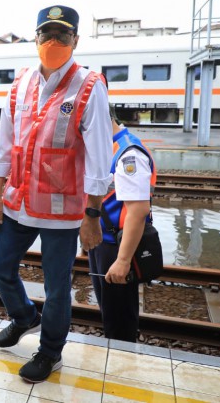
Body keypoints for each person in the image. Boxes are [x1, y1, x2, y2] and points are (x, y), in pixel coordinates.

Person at [0, 5, 112, 383]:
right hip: (18, 203)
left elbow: (99, 157)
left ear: (76, 40)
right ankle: (25, 316)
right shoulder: (21, 82)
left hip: (64, 211)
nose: (53, 42)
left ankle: (51, 351)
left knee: (58, 288)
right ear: (35, 37)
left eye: (62, 35)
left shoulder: (89, 86)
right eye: (47, 34)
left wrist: (92, 217)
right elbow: (6, 144)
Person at [88, 103, 156, 343]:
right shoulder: (106, 148)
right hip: (103, 241)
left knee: (119, 321)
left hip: (117, 247)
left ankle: (121, 367)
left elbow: (138, 212)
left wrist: (123, 260)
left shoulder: (129, 153)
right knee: (110, 312)